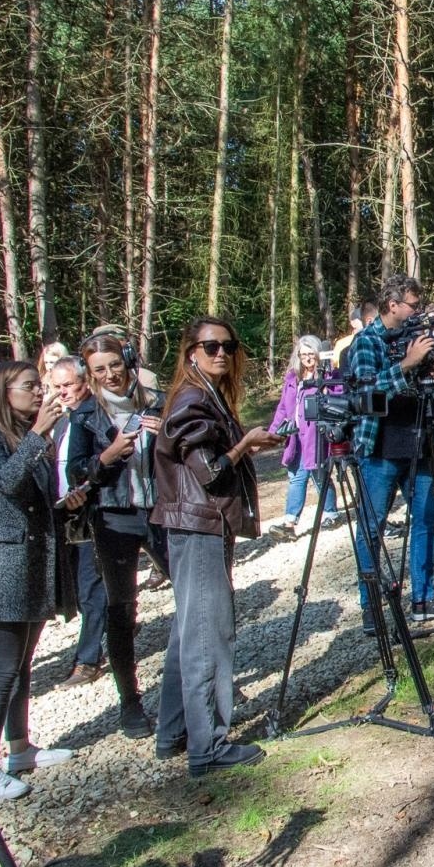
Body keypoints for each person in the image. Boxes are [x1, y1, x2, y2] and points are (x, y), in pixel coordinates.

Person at [152, 316, 281, 776]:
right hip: (199, 524)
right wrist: (245, 444)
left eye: (228, 345)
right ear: (191, 352)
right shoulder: (192, 399)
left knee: (188, 631)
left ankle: (173, 733)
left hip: (197, 524)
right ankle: (207, 746)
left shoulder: (204, 395)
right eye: (211, 346)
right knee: (209, 633)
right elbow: (209, 472)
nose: (221, 353)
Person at [0, 360, 80, 799]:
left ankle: (20, 747)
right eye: (30, 386)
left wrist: (67, 503)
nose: (40, 392)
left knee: (23, 666)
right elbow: (5, 483)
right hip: (4, 568)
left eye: (40, 386)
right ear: (3, 391)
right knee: (0, 670)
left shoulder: (23, 437)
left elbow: (34, 501)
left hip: (33, 564)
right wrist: (39, 433)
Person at [69, 330, 170, 738]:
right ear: (89, 374)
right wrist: (105, 458)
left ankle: (193, 683)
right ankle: (130, 701)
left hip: (162, 510)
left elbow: (183, 453)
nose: (110, 374)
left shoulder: (157, 402)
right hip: (114, 516)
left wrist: (168, 434)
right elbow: (76, 471)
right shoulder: (86, 415)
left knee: (193, 591)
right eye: (99, 369)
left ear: (127, 361)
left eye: (114, 364)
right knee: (121, 608)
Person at [348, 275, 434, 625]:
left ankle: (423, 599)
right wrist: (407, 364)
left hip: (420, 441)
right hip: (381, 448)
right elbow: (366, 392)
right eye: (412, 305)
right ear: (392, 304)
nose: (417, 311)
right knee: (372, 526)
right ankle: (371, 606)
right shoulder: (366, 342)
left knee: (426, 520)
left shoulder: (415, 337)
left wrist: (431, 379)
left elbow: (420, 384)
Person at [47, 356, 110, 690]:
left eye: (68, 385)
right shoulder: (59, 419)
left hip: (90, 512)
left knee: (91, 587)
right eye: (56, 387)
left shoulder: (95, 414)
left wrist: (86, 490)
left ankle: (88, 659)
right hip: (64, 515)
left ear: (85, 381)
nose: (62, 392)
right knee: (80, 586)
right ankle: (112, 630)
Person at [266, 336, 338, 538]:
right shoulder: (292, 378)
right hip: (296, 438)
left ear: (317, 354)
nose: (307, 358)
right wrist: (272, 432)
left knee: (320, 476)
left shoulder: (327, 376)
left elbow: (338, 397)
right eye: (303, 354)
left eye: (310, 354)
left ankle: (331, 513)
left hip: (317, 436)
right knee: (296, 477)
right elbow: (282, 408)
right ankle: (289, 523)